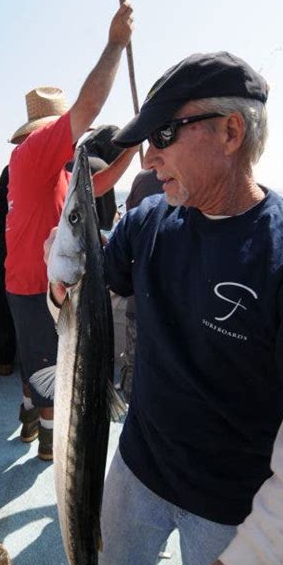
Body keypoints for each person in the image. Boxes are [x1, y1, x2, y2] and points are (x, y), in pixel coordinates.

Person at [47, 52, 283, 565]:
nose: (148, 158)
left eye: (164, 135)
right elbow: (80, 294)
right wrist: (59, 283)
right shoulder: (147, 222)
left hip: (231, 505)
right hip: (138, 464)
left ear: (231, 132)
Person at [5, 2, 137, 461]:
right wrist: (115, 44)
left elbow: (95, 187)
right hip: (33, 285)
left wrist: (132, 150)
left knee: (35, 355)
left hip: (35, 282)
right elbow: (90, 106)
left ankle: (28, 408)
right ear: (46, 130)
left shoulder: (47, 170)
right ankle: (46, 437)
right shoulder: (34, 153)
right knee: (47, 365)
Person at [120, 169, 162, 401]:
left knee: (135, 365)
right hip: (174, 306)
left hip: (139, 299)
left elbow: (129, 219)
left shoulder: (142, 179)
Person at [0, 164, 16, 375]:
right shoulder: (48, 167)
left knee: (1, 303)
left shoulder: (8, 169)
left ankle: (4, 362)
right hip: (31, 246)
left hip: (5, 245)